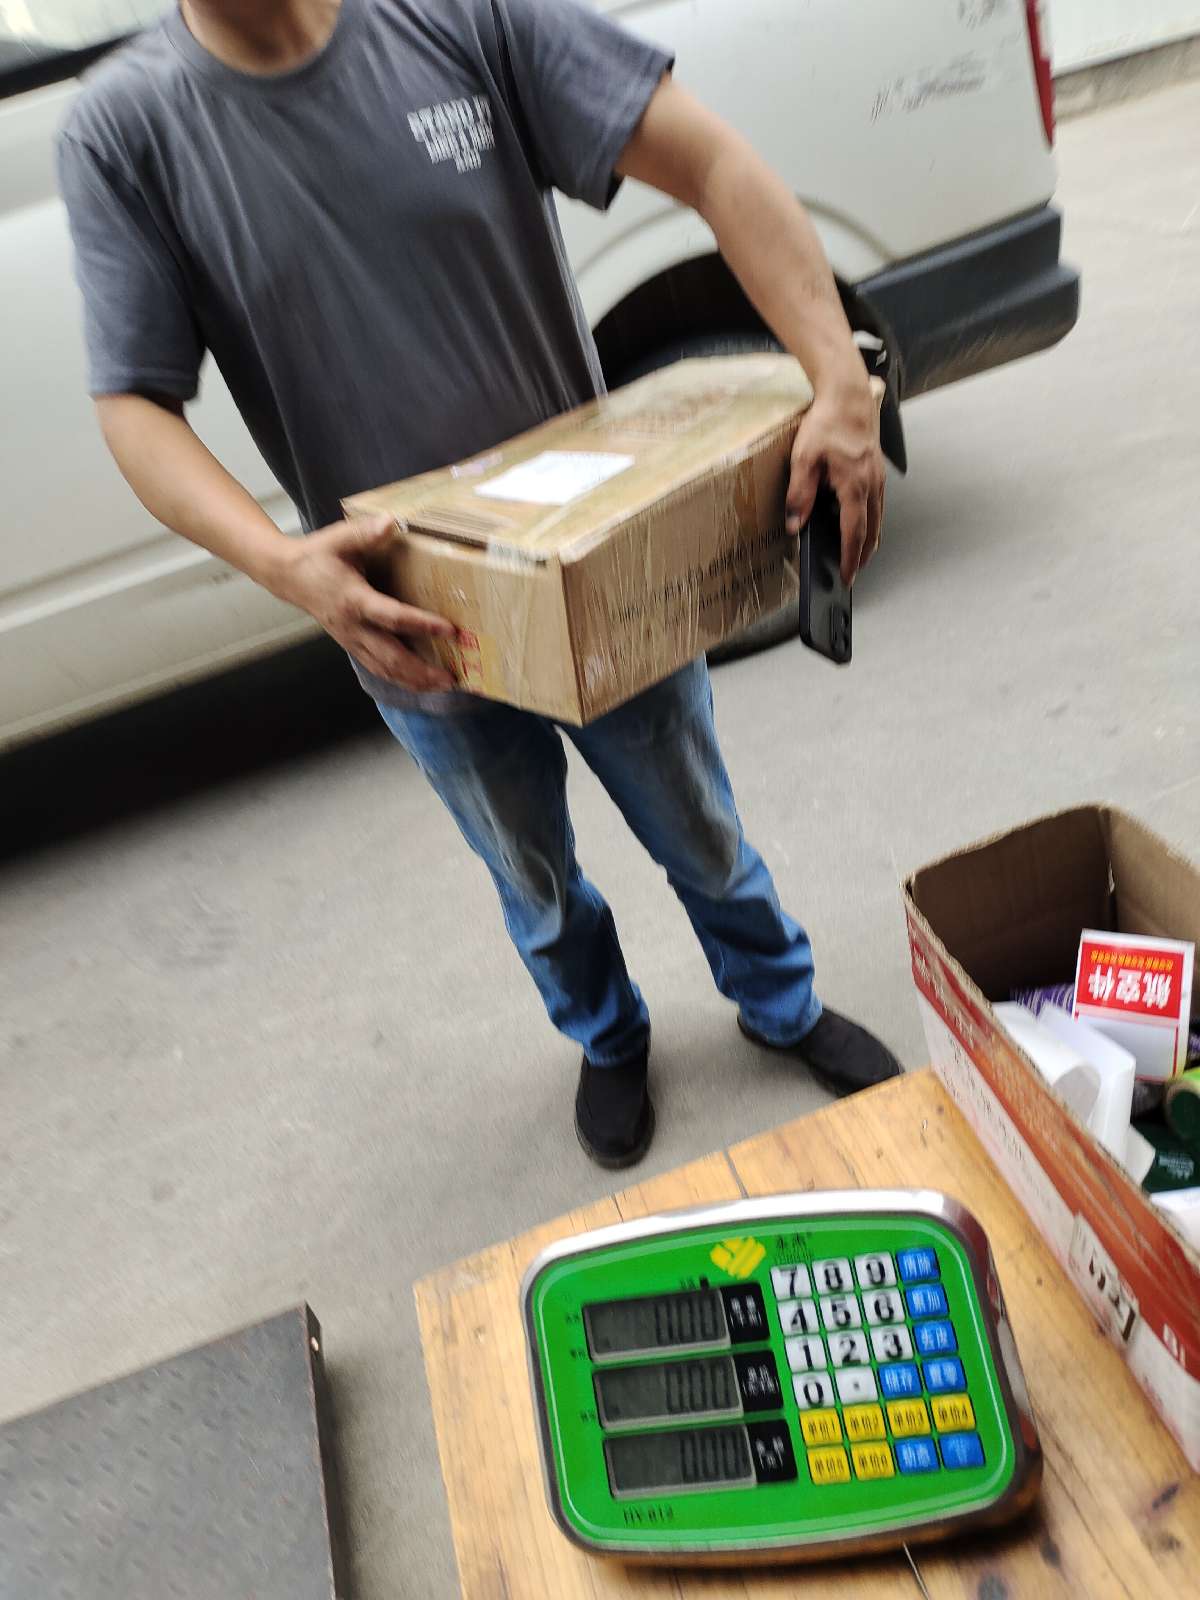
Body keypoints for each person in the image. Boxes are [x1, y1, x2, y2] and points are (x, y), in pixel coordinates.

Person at [59, 0, 900, 1169]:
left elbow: (711, 161)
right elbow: (133, 405)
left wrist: (839, 382)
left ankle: (780, 999)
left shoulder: (459, 17)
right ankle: (608, 1034)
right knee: (531, 873)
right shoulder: (126, 130)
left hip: (598, 584)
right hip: (411, 619)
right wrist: (285, 565)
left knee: (699, 828)